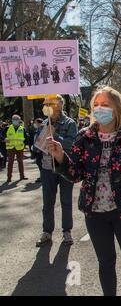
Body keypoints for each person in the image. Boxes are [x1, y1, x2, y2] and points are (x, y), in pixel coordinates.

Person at [47, 86, 121, 296]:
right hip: (94, 213)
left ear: (116, 109)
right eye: (96, 104)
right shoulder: (83, 137)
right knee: (106, 263)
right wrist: (60, 157)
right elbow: (75, 173)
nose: (99, 108)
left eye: (105, 105)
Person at [35, 96, 78, 247]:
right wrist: (39, 139)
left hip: (64, 168)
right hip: (47, 169)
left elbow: (72, 144)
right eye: (45, 104)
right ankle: (47, 232)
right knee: (48, 202)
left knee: (66, 201)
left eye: (50, 103)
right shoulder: (44, 123)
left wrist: (55, 136)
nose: (47, 106)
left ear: (59, 104)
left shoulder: (70, 123)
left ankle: (67, 232)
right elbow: (37, 146)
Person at [5, 115, 28, 182]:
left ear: (19, 120)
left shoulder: (22, 128)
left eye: (17, 119)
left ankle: (22, 176)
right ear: (12, 120)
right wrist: (4, 139)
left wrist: (24, 145)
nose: (15, 121)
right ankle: (9, 178)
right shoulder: (7, 128)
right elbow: (1, 135)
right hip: (11, 148)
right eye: (14, 119)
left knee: (20, 162)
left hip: (20, 148)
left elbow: (26, 138)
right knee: (10, 162)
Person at [32, 118, 44, 183]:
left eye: (35, 123)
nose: (34, 124)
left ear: (39, 123)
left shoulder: (41, 129)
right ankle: (42, 176)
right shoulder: (38, 129)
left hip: (40, 150)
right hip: (38, 149)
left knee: (40, 163)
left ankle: (42, 177)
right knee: (39, 163)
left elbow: (40, 139)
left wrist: (37, 149)